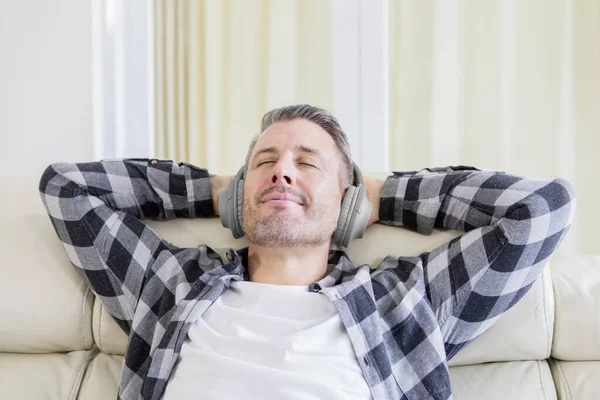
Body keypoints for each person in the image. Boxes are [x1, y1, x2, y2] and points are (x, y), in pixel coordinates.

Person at [38, 104, 575, 400]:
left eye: (307, 162)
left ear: (347, 200)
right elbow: (65, 188)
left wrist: (382, 196)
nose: (281, 169)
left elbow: (542, 209)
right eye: (265, 161)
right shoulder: (170, 284)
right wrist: (213, 191)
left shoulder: (403, 303)